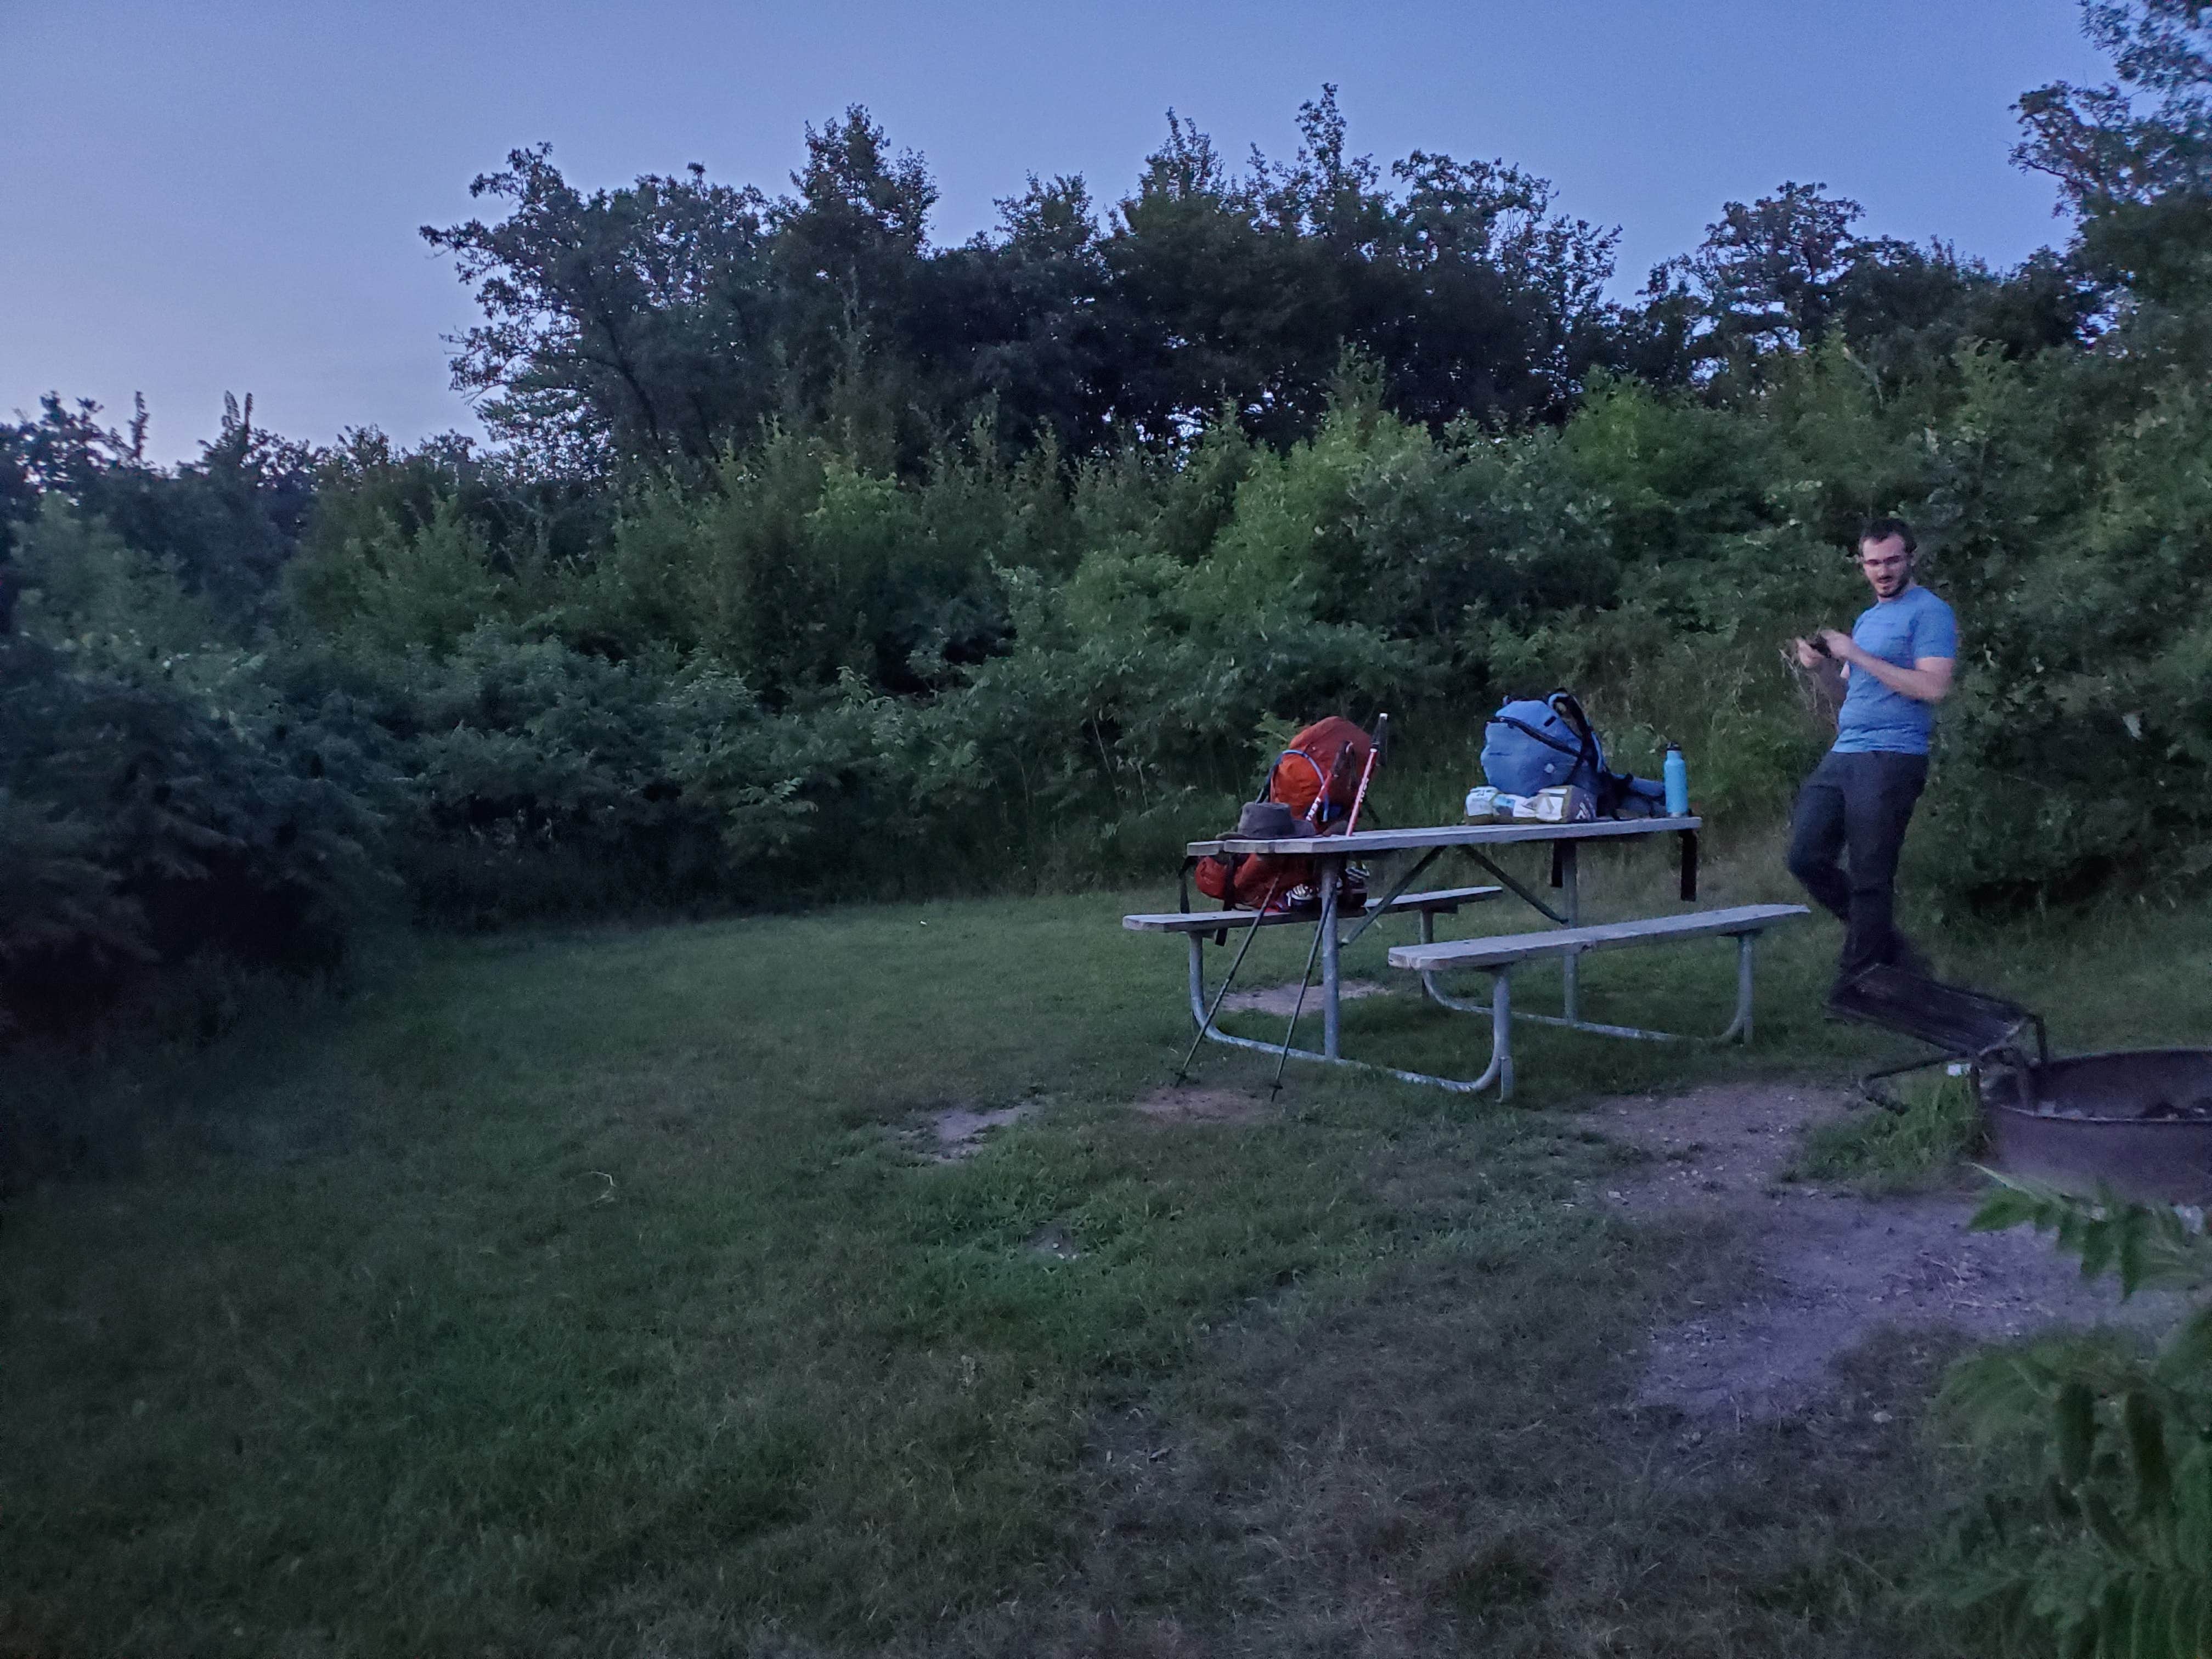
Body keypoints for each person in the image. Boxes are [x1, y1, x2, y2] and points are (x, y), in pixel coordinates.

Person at [1786, 517, 1957, 996]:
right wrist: (1822, 669)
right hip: (1846, 751)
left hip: (1893, 754)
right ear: (1862, 565)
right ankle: (1892, 953)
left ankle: (1859, 983)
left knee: (1870, 873)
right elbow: (1848, 698)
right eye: (1873, 563)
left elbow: (1933, 687)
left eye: (1892, 561)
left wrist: (1856, 654)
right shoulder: (1868, 619)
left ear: (1911, 559)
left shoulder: (1930, 613)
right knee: (1805, 857)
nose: (1883, 571)